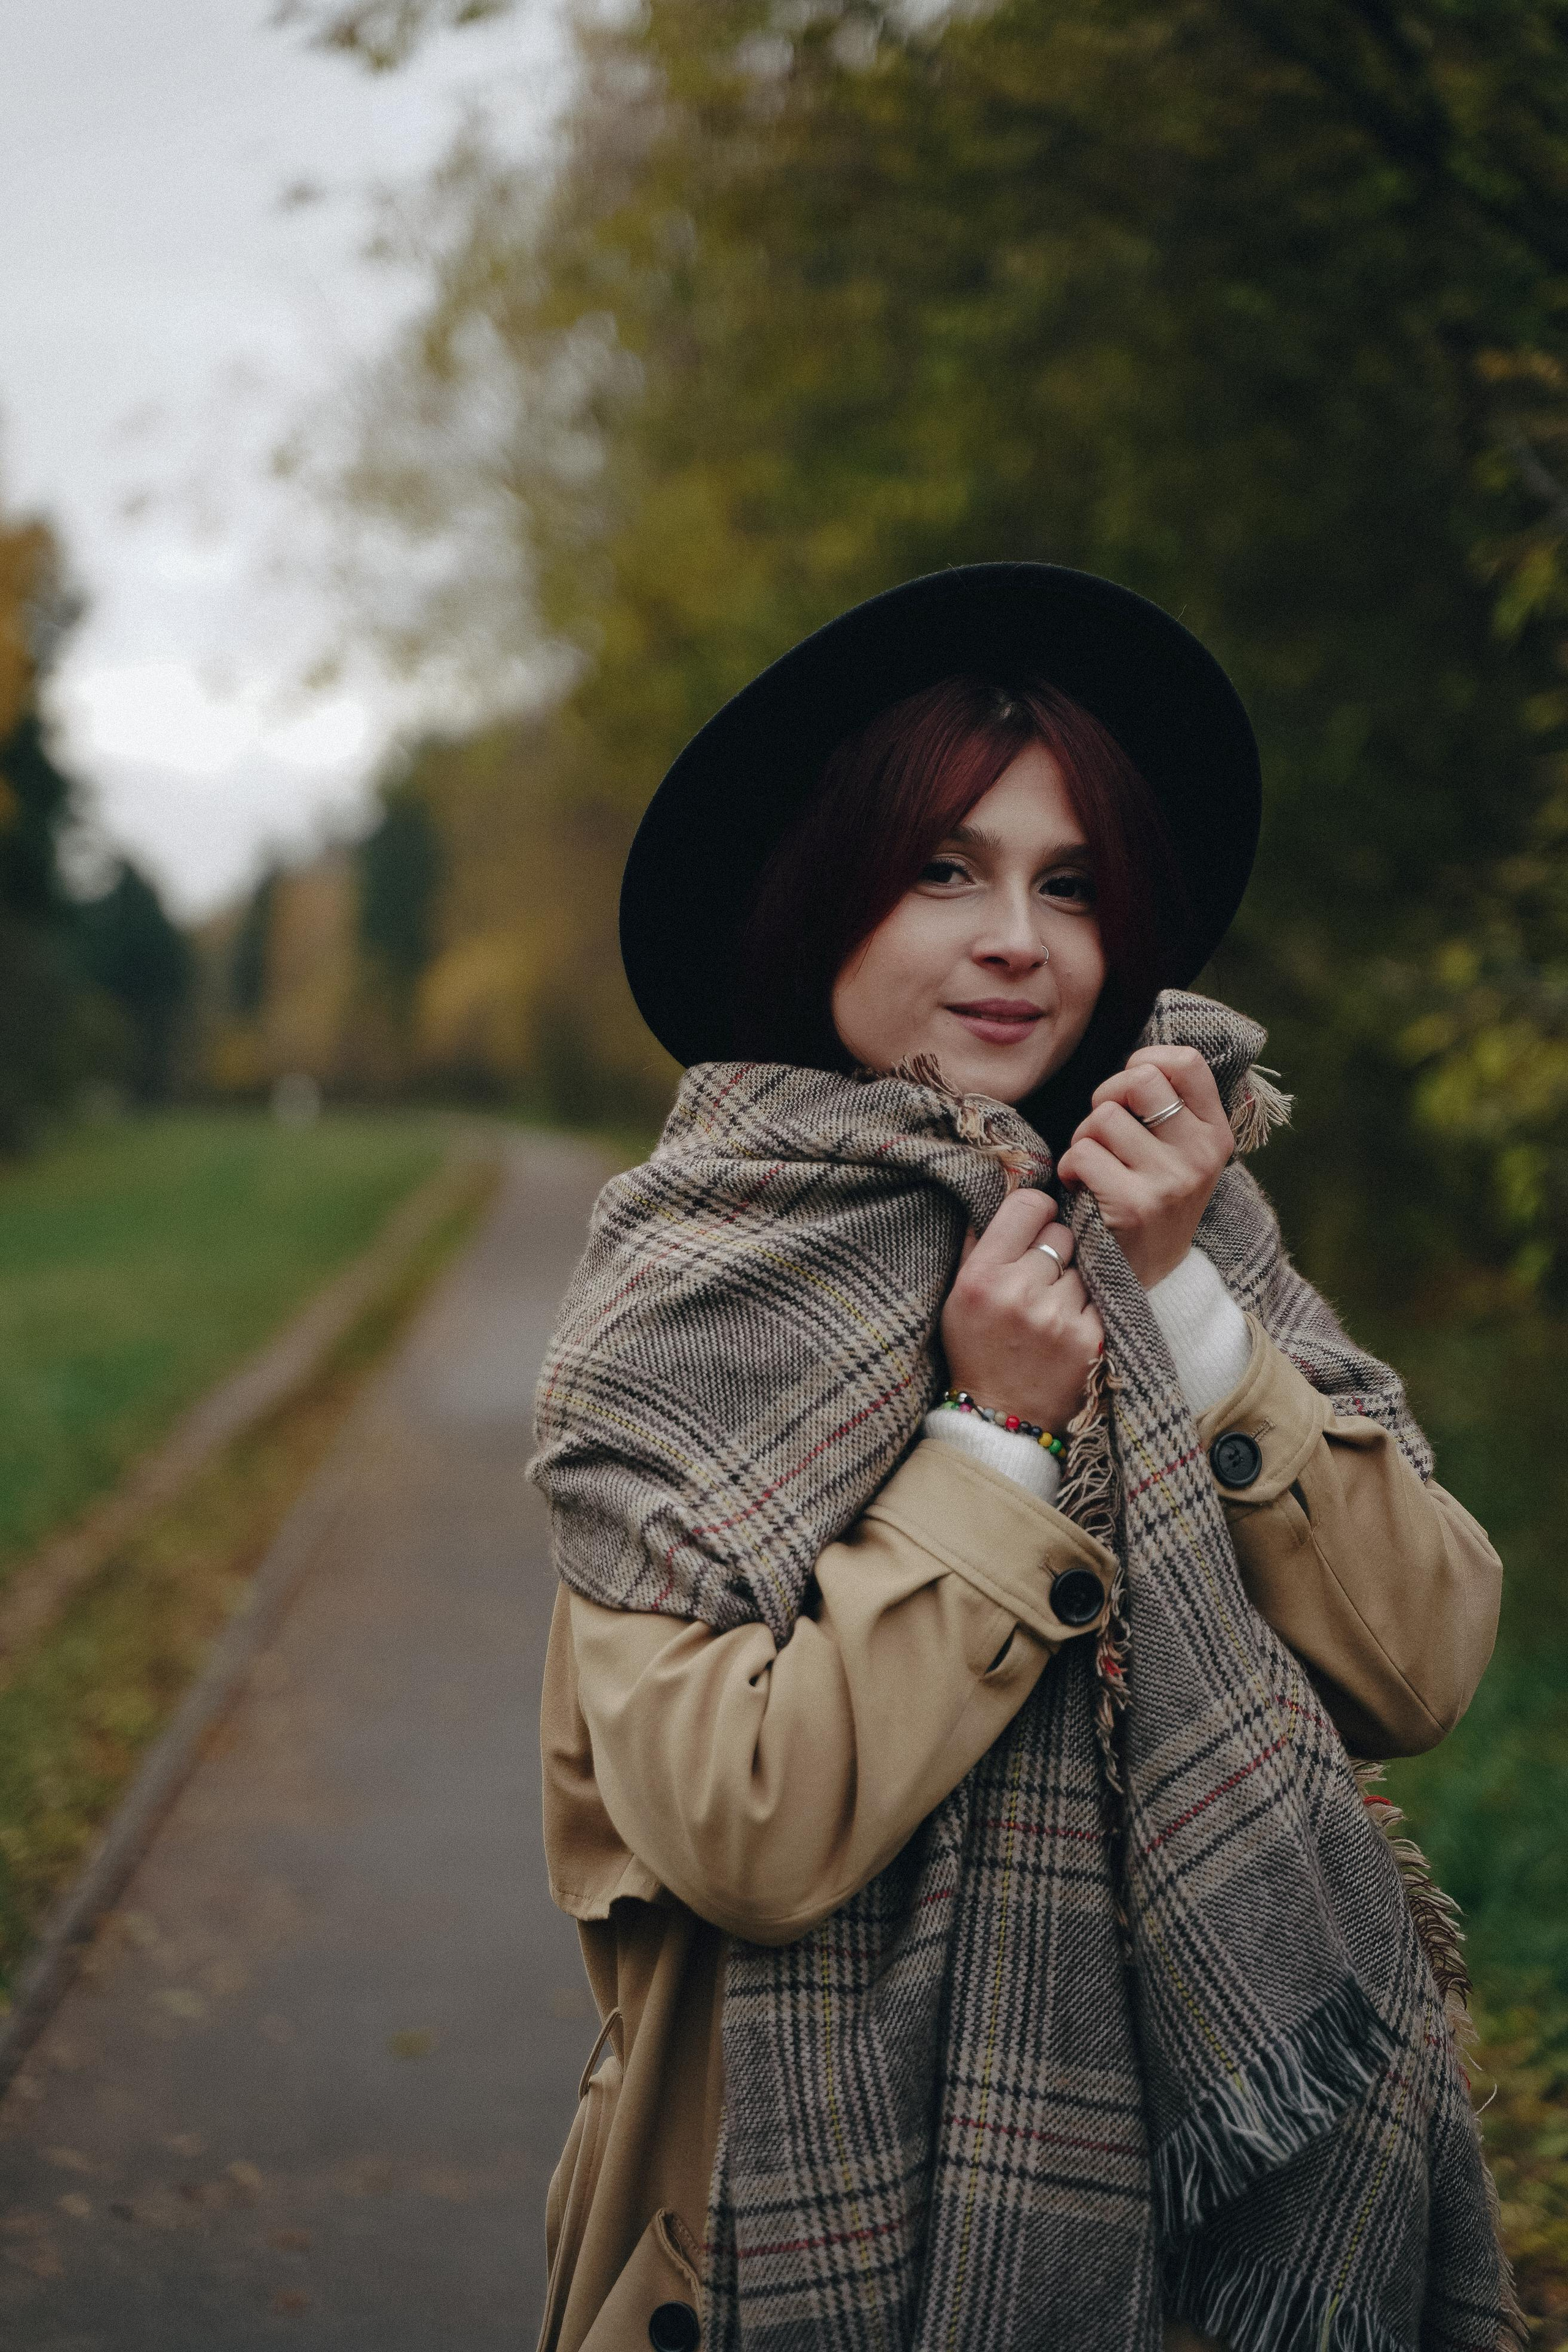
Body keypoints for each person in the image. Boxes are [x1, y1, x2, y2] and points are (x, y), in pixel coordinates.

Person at [530, 567, 1516, 2352]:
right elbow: (743, 1828)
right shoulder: (685, 1297)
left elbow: (1427, 1660)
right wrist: (992, 1440)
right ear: (815, 897)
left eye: (1069, 886)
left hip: (1216, 2237)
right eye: (943, 872)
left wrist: (1183, 1315)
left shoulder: (1180, 1216)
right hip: (790, 2240)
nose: (1018, 941)